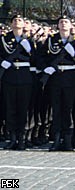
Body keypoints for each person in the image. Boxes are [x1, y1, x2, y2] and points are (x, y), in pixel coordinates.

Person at [38, 16, 75, 151]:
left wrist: (74, 55)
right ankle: (57, 139)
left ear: (71, 26)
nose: (63, 24)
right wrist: (46, 67)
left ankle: (68, 140)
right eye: (61, 22)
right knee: (56, 109)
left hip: (70, 78)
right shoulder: (51, 40)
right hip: (55, 78)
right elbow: (41, 57)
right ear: (57, 26)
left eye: (66, 22)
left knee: (69, 109)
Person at [0, 14, 35, 150]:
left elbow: (35, 59)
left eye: (19, 20)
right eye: (14, 20)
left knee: (23, 108)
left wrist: (29, 49)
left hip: (25, 77)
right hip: (9, 76)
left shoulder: (29, 40)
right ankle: (12, 137)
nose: (17, 22)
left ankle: (22, 138)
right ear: (11, 24)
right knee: (10, 108)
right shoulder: (4, 39)